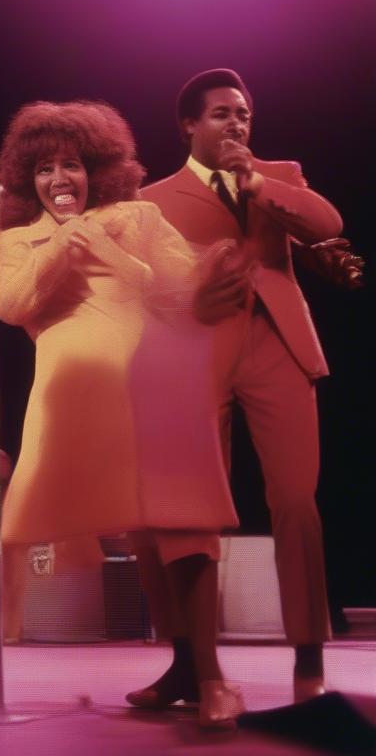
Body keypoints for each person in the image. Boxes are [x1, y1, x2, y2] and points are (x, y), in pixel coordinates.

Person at [0, 100, 244, 729]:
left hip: (156, 384)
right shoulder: (17, 238)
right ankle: (185, 665)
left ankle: (214, 679)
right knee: (139, 531)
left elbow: (184, 292)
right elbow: (14, 304)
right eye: (45, 168)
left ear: (96, 170)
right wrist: (66, 246)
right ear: (28, 179)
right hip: (78, 402)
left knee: (182, 521)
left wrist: (118, 256)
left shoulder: (137, 216)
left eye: (72, 165)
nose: (59, 180)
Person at [134, 68, 342, 705]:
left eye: (244, 114)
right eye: (222, 114)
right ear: (189, 126)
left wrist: (255, 178)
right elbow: (142, 288)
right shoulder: (153, 198)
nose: (237, 124)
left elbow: (326, 221)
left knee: (296, 498)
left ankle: (308, 654)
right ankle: (190, 662)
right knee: (189, 510)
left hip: (276, 345)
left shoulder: (278, 175)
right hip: (197, 351)